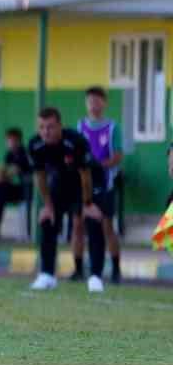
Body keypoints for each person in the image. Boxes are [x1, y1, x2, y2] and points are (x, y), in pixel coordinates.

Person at [28, 107, 105, 293]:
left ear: (60, 126)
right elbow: (40, 177)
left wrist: (87, 204)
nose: (46, 132)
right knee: (47, 220)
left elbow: (85, 176)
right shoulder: (35, 145)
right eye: (42, 127)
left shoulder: (76, 141)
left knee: (92, 220)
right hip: (61, 182)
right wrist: (47, 205)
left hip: (87, 181)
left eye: (50, 127)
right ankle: (47, 275)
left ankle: (95, 277)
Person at [72, 86, 124, 283]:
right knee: (77, 226)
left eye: (97, 100)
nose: (93, 105)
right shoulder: (80, 127)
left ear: (104, 103)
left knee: (107, 227)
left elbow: (118, 155)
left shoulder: (112, 127)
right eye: (90, 101)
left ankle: (116, 269)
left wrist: (99, 165)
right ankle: (78, 269)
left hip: (105, 185)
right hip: (82, 185)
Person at [0, 127, 31, 240]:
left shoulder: (24, 154)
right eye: (8, 140)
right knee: (1, 188)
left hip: (29, 190)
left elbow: (12, 172)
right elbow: (2, 171)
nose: (10, 143)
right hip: (18, 190)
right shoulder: (9, 155)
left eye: (13, 140)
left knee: (0, 188)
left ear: (19, 140)